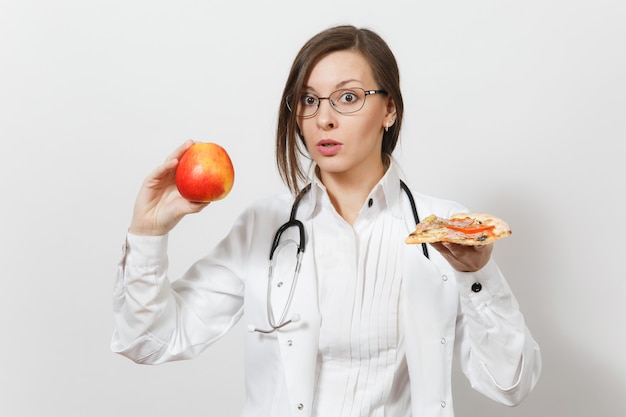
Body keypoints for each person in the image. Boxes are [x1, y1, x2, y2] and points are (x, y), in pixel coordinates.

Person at [112, 25, 541, 417]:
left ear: (389, 109)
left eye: (349, 97)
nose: (324, 118)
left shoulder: (446, 228)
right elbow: (150, 340)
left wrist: (477, 275)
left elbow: (510, 384)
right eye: (309, 100)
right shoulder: (264, 227)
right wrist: (150, 233)